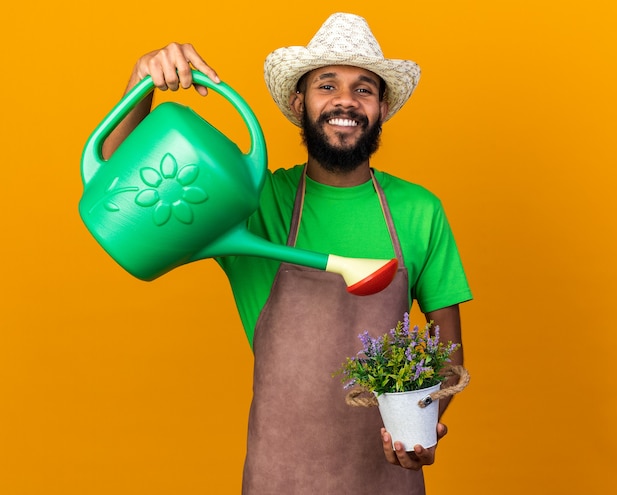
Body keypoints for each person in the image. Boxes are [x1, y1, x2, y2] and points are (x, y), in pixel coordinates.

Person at [102, 12, 472, 494]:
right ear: (300, 101)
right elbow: (120, 171)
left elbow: (447, 349)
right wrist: (143, 79)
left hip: (389, 482)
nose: (346, 100)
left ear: (381, 107)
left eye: (364, 88)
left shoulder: (420, 211)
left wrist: (420, 428)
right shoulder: (254, 202)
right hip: (279, 480)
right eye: (327, 85)